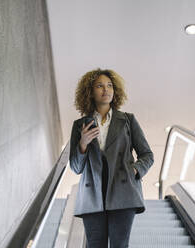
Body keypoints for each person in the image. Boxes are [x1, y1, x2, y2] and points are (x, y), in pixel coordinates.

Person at [69, 68, 154, 248]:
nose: (105, 90)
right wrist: (83, 144)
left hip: (123, 193)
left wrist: (135, 169)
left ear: (115, 91)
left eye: (109, 86)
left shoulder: (128, 120)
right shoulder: (80, 125)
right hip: (92, 196)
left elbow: (147, 155)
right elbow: (76, 167)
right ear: (90, 92)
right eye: (99, 86)